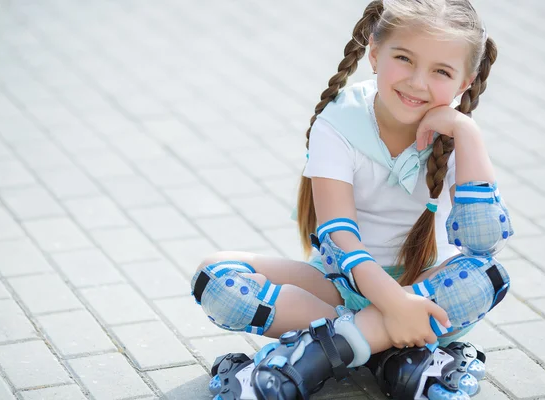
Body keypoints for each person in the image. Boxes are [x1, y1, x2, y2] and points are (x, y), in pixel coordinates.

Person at [191, 0, 513, 399]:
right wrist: (393, 307)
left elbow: (485, 244)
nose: (417, 82)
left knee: (489, 277)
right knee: (214, 277)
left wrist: (468, 133)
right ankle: (391, 356)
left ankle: (313, 358)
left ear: (465, 82)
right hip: (341, 285)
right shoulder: (339, 121)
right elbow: (339, 235)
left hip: (427, 293)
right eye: (404, 59)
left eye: (441, 72)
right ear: (375, 54)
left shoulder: (457, 136)